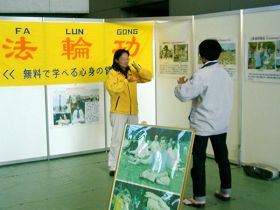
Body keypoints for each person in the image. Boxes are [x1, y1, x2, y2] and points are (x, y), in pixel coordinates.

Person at [174, 39, 233, 208]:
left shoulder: (201, 75)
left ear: (202, 56)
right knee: (223, 159)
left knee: (199, 161)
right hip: (221, 124)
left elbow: (184, 95)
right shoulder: (225, 73)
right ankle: (226, 191)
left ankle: (199, 198)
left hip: (202, 126)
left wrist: (180, 85)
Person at [105, 49, 153, 176]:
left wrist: (139, 69)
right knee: (117, 139)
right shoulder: (112, 73)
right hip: (119, 112)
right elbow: (113, 89)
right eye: (124, 58)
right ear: (116, 60)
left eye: (128, 58)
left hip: (133, 112)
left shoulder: (132, 72)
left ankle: (127, 162)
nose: (126, 60)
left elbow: (148, 77)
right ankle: (113, 166)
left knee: (132, 139)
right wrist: (126, 80)